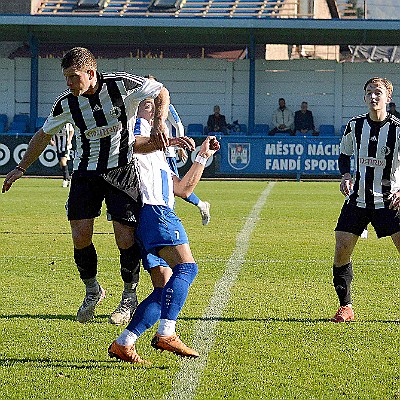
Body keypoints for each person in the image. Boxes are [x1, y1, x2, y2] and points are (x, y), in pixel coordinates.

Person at [1, 47, 194, 326]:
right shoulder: (66, 103)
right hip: (84, 173)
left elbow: (160, 90)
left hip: (121, 171)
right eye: (66, 77)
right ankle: (93, 290)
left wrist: (159, 124)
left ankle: (129, 295)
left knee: (125, 239)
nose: (68, 83)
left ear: (90, 73)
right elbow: (43, 136)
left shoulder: (121, 85)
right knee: (80, 236)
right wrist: (21, 167)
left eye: (73, 76)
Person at [108, 98, 220, 364]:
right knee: (188, 269)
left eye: (158, 103)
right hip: (154, 210)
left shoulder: (157, 146)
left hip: (152, 216)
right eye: (148, 102)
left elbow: (183, 190)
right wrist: (167, 141)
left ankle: (124, 343)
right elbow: (131, 145)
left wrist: (202, 156)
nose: (157, 107)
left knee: (163, 289)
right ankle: (167, 332)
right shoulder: (136, 126)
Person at [331, 76, 400, 323]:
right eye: (369, 92)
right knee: (341, 250)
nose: (373, 96)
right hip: (358, 199)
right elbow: (344, 154)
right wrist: (345, 175)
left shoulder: (397, 129)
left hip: (390, 201)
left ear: (388, 98)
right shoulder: (355, 126)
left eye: (378, 92)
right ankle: (346, 307)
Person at [145, 75, 211, 225]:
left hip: (166, 152)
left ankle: (179, 212)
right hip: (150, 152)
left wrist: (180, 146)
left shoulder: (165, 104)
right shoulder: (142, 104)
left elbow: (178, 125)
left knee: (173, 186)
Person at [51, 122, 74, 187]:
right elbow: (49, 132)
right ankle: (68, 179)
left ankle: (65, 179)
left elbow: (71, 131)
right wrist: (51, 141)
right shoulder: (54, 122)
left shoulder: (67, 123)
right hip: (58, 145)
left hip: (66, 145)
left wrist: (69, 140)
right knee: (61, 163)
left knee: (63, 161)